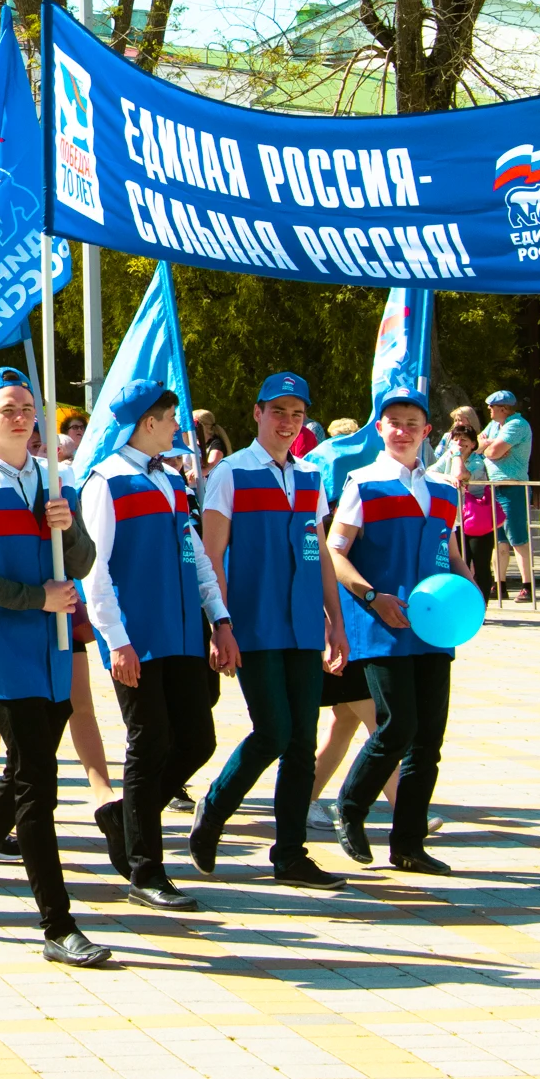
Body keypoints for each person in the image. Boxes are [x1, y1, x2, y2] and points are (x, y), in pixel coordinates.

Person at [0, 371, 106, 966]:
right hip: (4, 652)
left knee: (22, 778)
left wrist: (68, 526)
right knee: (38, 788)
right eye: (7, 408)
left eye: (28, 407)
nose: (20, 416)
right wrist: (38, 599)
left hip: (54, 652)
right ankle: (58, 925)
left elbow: (81, 559)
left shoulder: (54, 481)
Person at [81, 378, 233, 911]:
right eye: (171, 419)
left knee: (196, 739)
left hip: (185, 635)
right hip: (139, 639)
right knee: (149, 746)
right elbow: (93, 572)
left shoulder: (169, 480)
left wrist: (220, 618)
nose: (177, 428)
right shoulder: (105, 482)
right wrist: (116, 640)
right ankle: (147, 868)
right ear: (148, 423)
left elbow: (194, 556)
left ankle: (129, 815)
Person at [196, 372, 344, 888]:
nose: (287, 422)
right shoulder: (231, 474)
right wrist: (220, 625)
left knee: (303, 740)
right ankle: (214, 808)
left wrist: (336, 622)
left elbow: (320, 551)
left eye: (297, 414)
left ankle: (290, 853)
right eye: (277, 411)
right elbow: (210, 556)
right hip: (253, 626)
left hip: (303, 626)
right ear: (257, 413)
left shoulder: (310, 478)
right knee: (274, 732)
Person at [324, 388, 466, 873]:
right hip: (382, 627)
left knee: (429, 740)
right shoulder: (362, 483)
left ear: (427, 433)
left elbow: (448, 552)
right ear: (380, 429)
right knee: (397, 726)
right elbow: (335, 552)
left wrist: (469, 589)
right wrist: (370, 597)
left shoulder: (444, 490)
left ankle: (408, 843)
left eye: (412, 424)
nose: (403, 431)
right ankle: (351, 805)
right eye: (394, 423)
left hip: (434, 629)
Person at [481, 391, 535, 602]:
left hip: (513, 487)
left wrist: (490, 446)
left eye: (492, 407)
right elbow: (478, 444)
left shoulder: (517, 424)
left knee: (518, 538)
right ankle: (499, 584)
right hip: (493, 487)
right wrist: (489, 444)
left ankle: (527, 586)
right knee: (499, 540)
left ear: (503, 408)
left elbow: (492, 452)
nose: (489, 411)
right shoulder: (494, 426)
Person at [440, 417, 496, 604]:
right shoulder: (447, 457)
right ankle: (461, 604)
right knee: (458, 563)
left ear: (473, 444)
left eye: (464, 439)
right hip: (455, 520)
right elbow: (427, 471)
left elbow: (460, 474)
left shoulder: (478, 461)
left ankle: (482, 606)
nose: (459, 442)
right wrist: (447, 477)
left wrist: (456, 457)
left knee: (480, 565)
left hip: (477, 520)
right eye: (456, 438)